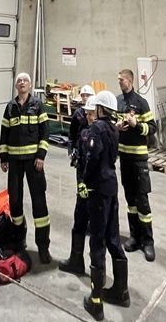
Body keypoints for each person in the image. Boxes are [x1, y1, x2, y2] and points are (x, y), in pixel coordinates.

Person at [81, 90, 129, 320]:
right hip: (111, 186)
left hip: (98, 189)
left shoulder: (97, 129)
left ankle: (96, 303)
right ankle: (121, 291)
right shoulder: (113, 128)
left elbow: (92, 158)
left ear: (100, 109)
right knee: (113, 237)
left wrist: (84, 180)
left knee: (97, 242)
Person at [0, 72, 51, 263]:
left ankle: (43, 247)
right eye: (19, 81)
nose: (22, 83)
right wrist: (3, 157)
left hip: (33, 162)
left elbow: (45, 132)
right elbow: (4, 133)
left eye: (25, 80)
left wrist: (41, 156)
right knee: (15, 202)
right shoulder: (10, 107)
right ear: (16, 86)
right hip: (14, 162)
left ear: (29, 85)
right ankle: (18, 241)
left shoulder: (38, 105)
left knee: (39, 203)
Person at [116, 68, 156, 261]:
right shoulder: (118, 102)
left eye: (121, 80)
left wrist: (136, 125)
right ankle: (135, 237)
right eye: (118, 80)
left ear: (130, 81)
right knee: (130, 199)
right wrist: (118, 127)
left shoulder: (141, 103)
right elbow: (112, 123)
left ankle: (148, 242)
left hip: (138, 159)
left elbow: (153, 128)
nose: (119, 82)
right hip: (124, 157)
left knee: (142, 200)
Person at [59, 96, 97, 275]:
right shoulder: (85, 134)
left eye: (91, 114)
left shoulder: (101, 133)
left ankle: (97, 271)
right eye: (87, 114)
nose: (88, 117)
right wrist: (81, 182)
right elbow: (81, 161)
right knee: (79, 222)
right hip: (86, 186)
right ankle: (76, 260)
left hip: (97, 188)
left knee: (97, 228)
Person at [68, 85, 95, 163]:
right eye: (83, 95)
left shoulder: (97, 112)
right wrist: (70, 150)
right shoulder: (78, 113)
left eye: (88, 95)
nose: (85, 97)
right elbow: (72, 132)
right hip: (80, 148)